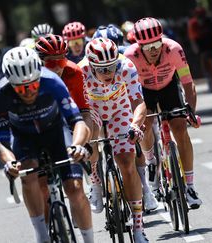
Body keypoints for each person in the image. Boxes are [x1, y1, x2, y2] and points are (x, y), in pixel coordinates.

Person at [0, 47, 94, 243]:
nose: (29, 92)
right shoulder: (1, 93)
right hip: (24, 137)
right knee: (28, 175)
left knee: (74, 189)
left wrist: (77, 145)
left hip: (56, 131)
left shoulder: (52, 81)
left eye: (33, 85)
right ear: (10, 84)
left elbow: (78, 122)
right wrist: (10, 163)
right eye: (21, 89)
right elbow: (2, 141)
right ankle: (41, 236)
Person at [124, 17, 202, 209]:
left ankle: (190, 186)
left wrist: (191, 110)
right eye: (147, 46)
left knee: (180, 129)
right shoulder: (130, 56)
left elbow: (187, 83)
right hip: (144, 92)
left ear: (162, 39)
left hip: (169, 87)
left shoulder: (174, 49)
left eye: (157, 43)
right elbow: (129, 93)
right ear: (138, 45)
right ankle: (151, 160)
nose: (153, 50)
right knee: (146, 124)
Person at [79, 37, 150, 243]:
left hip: (120, 110)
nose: (108, 73)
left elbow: (138, 102)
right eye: (102, 69)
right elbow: (77, 108)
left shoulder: (126, 67)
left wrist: (135, 125)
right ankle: (95, 181)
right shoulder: (81, 71)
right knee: (90, 136)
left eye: (111, 67)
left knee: (127, 164)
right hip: (92, 111)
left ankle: (138, 227)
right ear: (92, 65)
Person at [35, 34, 92, 131]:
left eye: (61, 62)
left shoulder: (74, 72)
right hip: (42, 120)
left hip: (69, 116)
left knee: (92, 129)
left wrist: (85, 143)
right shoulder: (34, 76)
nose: (57, 69)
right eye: (51, 63)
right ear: (40, 62)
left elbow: (85, 114)